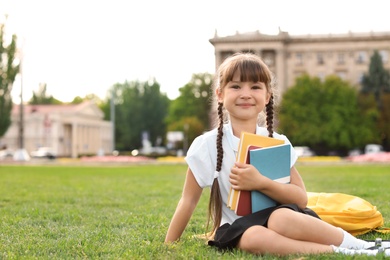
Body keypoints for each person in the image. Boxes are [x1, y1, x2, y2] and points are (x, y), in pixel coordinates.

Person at [164, 52, 389, 257]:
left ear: (268, 96)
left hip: (283, 217)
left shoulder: (277, 142)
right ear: (220, 94)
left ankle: (361, 245)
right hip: (237, 227)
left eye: (255, 87)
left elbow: (300, 198)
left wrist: (260, 182)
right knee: (253, 237)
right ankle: (343, 252)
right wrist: (168, 246)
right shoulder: (207, 144)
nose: (245, 94)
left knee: (280, 218)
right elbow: (189, 200)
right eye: (235, 86)